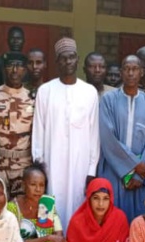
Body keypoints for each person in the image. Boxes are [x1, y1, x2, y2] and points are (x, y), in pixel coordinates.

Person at [32, 37, 99, 231]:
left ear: (77, 60)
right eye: (63, 58)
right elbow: (39, 128)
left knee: (78, 205)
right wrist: (40, 163)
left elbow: (94, 133)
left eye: (71, 57)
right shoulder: (45, 91)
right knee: (49, 204)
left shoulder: (89, 92)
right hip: (51, 164)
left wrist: (91, 170)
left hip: (80, 165)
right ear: (57, 62)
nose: (67, 62)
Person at [98, 55, 145, 223]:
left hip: (140, 177)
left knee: (136, 221)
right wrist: (133, 165)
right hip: (113, 170)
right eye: (126, 69)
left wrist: (140, 175)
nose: (131, 73)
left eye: (135, 69)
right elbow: (107, 137)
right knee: (111, 218)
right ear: (121, 72)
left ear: (141, 72)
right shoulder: (108, 100)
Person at [0, 52, 34, 195]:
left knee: (20, 210)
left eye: (19, 66)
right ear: (4, 69)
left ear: (25, 70)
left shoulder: (33, 99)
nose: (15, 70)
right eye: (10, 66)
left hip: (23, 166)